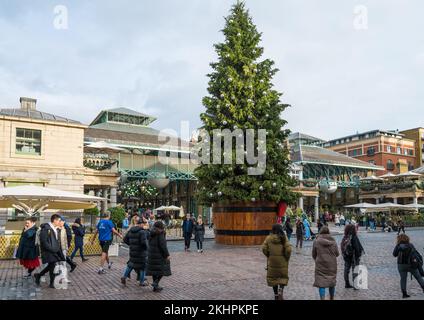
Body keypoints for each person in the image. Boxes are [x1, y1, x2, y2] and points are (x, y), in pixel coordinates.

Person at [34, 214, 65, 288]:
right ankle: (50, 283)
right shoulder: (46, 228)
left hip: (53, 250)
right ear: (55, 220)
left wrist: (56, 249)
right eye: (59, 220)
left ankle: (39, 276)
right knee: (52, 266)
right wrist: (52, 249)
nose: (60, 222)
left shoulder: (54, 228)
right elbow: (44, 241)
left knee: (52, 266)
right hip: (48, 251)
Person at [262, 224, 291, 300]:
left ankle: (276, 295)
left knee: (273, 278)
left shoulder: (268, 238)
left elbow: (263, 248)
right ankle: (280, 291)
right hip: (282, 261)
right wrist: (286, 257)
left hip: (272, 262)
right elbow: (289, 250)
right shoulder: (284, 238)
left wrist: (269, 255)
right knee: (282, 277)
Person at [312, 226, 339, 300]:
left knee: (321, 283)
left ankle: (322, 298)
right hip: (332, 265)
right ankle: (332, 298)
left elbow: (314, 254)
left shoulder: (316, 241)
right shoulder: (333, 241)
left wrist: (318, 259)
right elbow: (337, 254)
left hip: (320, 264)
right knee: (331, 282)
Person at [121, 216, 149, 286]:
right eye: (143, 224)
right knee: (143, 266)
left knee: (131, 264)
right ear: (141, 224)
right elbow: (143, 243)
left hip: (133, 251)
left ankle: (124, 276)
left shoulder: (131, 230)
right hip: (141, 252)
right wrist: (146, 248)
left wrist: (131, 245)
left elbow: (124, 240)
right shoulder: (142, 232)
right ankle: (141, 282)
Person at [393, 234, 424, 298]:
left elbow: (394, 254)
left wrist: (397, 247)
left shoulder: (398, 246)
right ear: (407, 238)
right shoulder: (410, 245)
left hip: (401, 265)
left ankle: (404, 294)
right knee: (418, 277)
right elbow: (415, 254)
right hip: (411, 264)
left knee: (403, 279)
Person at [146, 221, 171, 292]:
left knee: (155, 271)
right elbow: (162, 245)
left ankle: (155, 287)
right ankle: (156, 282)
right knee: (164, 268)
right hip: (159, 254)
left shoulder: (151, 232)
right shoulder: (160, 233)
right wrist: (167, 255)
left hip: (152, 254)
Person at [341, 224, 364, 289]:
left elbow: (342, 246)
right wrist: (359, 255)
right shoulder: (354, 237)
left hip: (347, 256)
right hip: (354, 257)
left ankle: (347, 284)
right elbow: (357, 248)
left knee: (346, 270)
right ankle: (355, 285)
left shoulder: (345, 237)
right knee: (355, 270)